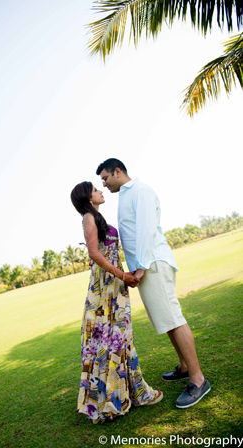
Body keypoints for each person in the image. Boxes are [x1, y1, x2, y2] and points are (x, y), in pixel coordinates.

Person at [96, 158, 211, 409]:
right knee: (165, 319)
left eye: (105, 178)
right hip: (147, 265)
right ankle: (184, 367)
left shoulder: (140, 191)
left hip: (153, 264)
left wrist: (141, 267)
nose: (103, 184)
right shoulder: (126, 195)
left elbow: (147, 230)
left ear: (117, 171)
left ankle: (198, 379)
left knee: (173, 317)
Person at [70, 181, 163, 424]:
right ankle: (117, 397)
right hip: (105, 288)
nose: (100, 191)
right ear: (88, 198)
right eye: (95, 190)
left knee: (119, 337)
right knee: (111, 338)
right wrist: (122, 275)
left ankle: (126, 393)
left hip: (114, 285)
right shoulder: (89, 218)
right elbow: (94, 253)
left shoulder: (96, 218)